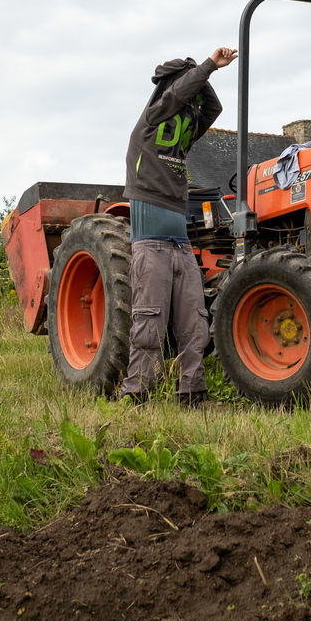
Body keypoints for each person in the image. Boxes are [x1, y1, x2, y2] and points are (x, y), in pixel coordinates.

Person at [118, 46, 237, 404]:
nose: (188, 102)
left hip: (181, 245)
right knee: (149, 322)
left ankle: (192, 393)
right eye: (184, 87)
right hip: (151, 243)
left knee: (195, 324)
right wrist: (207, 67)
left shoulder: (182, 133)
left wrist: (202, 77)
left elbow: (213, 109)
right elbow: (175, 96)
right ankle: (137, 394)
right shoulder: (152, 120)